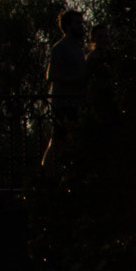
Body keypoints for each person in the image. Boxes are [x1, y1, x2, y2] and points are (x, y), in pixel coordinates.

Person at [41, 9, 87, 167]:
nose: (81, 27)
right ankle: (45, 174)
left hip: (76, 103)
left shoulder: (78, 48)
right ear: (68, 26)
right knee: (58, 142)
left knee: (72, 143)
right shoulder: (60, 48)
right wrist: (76, 80)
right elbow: (51, 74)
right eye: (77, 23)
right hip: (64, 104)